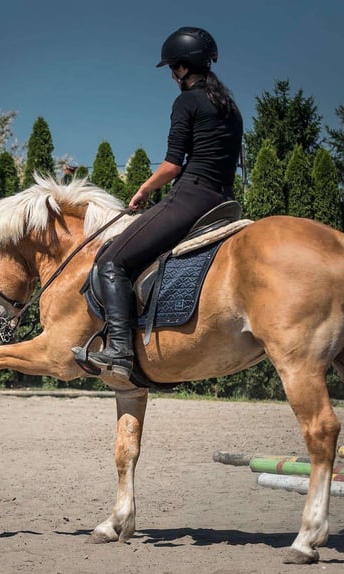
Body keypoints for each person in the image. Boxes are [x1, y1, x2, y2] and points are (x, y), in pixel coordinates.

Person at [80, 26, 243, 382]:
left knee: (111, 260)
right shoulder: (229, 107)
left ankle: (120, 350)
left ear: (184, 68)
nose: (171, 74)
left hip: (192, 197)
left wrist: (142, 190)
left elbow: (172, 165)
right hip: (223, 201)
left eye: (173, 67)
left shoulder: (186, 101)